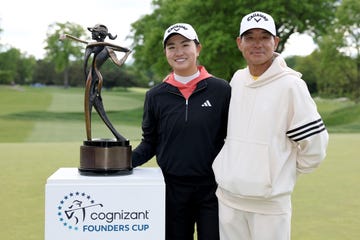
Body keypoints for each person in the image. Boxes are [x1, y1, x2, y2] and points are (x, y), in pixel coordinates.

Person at [212, 11, 329, 240]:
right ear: (239, 43)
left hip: (270, 207)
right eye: (250, 37)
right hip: (228, 199)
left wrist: (281, 173)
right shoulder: (237, 79)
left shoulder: (291, 85)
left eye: (264, 37)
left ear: (275, 42)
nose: (257, 44)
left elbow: (315, 146)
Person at [132, 23, 231, 240]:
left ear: (198, 48)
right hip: (171, 190)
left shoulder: (221, 90)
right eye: (171, 47)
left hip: (213, 190)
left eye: (185, 45)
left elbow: (231, 139)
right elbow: (149, 143)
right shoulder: (155, 95)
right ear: (166, 53)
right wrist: (121, 161)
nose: (178, 52)